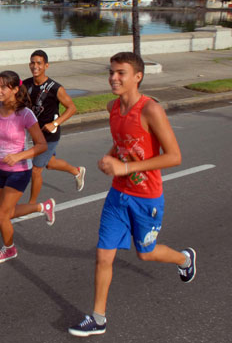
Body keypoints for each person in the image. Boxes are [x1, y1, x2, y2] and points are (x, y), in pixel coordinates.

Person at [68, 52, 196, 337]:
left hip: (146, 198)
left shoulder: (150, 110)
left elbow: (174, 156)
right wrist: (109, 158)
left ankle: (184, 259)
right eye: (111, 72)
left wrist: (125, 166)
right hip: (118, 196)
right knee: (103, 257)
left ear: (137, 76)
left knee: (146, 254)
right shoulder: (112, 107)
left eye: (121, 73)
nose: (114, 77)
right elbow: (122, 142)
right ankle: (98, 317)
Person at [0, 70, 56, 263]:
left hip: (20, 171)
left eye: (3, 87)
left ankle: (9, 249)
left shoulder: (24, 114)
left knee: (1, 215)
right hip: (1, 169)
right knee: (7, 212)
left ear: (15, 89)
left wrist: (19, 155)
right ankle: (43, 206)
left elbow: (42, 145)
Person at [22, 50, 85, 205]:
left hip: (49, 135)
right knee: (50, 163)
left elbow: (72, 108)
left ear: (46, 65)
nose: (35, 66)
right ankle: (77, 171)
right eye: (32, 62)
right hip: (36, 133)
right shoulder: (26, 84)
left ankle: (32, 205)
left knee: (36, 170)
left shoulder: (55, 88)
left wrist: (54, 124)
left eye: (39, 63)